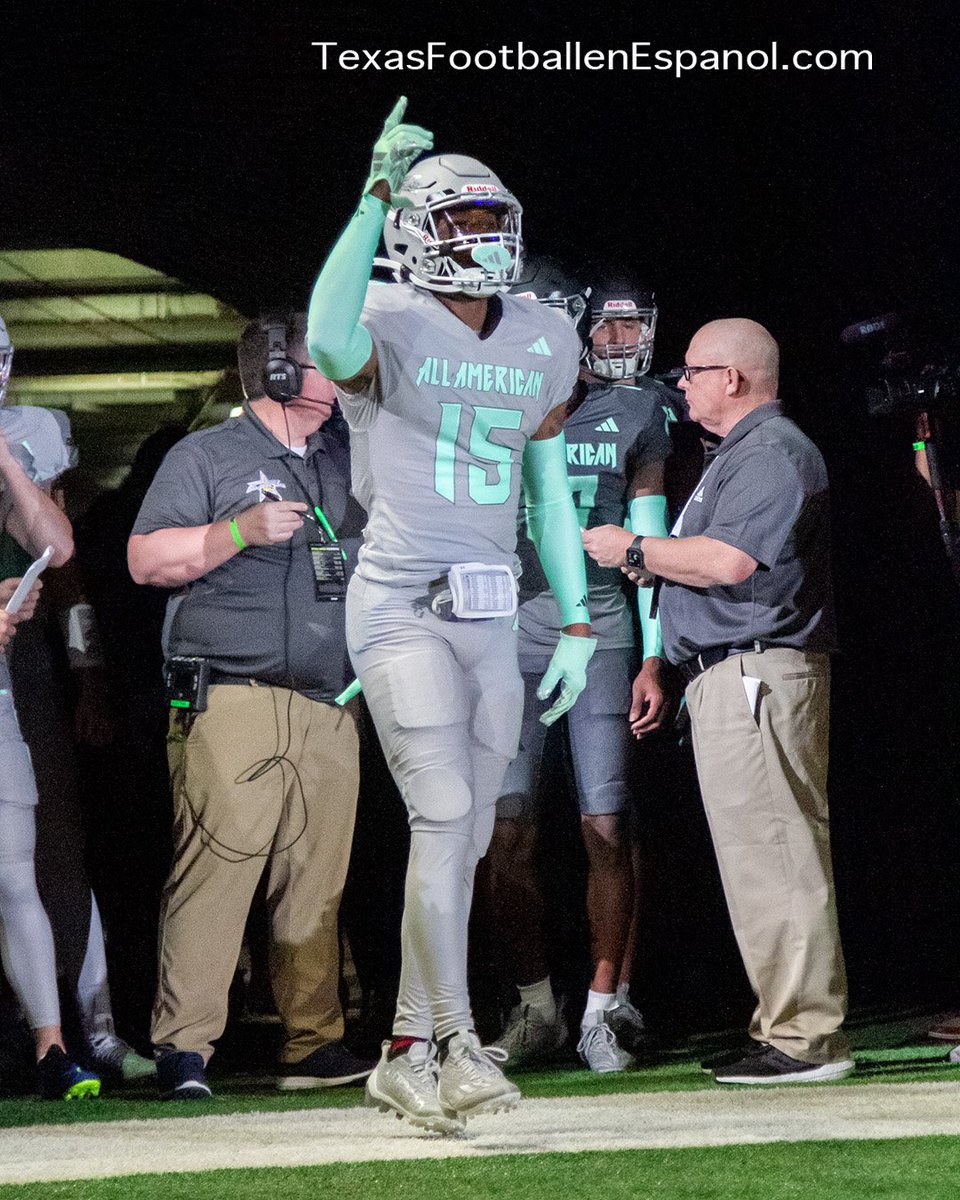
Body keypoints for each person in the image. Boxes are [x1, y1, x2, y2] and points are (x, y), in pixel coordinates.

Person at [306, 99, 594, 1132]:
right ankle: (454, 1045)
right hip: (400, 604)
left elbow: (550, 492)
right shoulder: (383, 317)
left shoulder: (547, 334)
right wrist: (371, 194)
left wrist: (575, 620)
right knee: (441, 816)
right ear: (414, 234)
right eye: (460, 225)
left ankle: (400, 1047)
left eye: (490, 223)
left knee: (467, 839)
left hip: (490, 610)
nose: (482, 241)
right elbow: (324, 333)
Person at [582, 318, 853, 1085]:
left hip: (757, 675)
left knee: (775, 854)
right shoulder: (742, 454)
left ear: (731, 378)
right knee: (760, 857)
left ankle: (805, 1038)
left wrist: (630, 548)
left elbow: (729, 561)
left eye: (694, 371)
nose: (683, 384)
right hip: (733, 673)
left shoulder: (772, 452)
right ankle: (787, 1026)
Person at [127, 313, 372, 1100]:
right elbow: (145, 559)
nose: (342, 374)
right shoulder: (206, 455)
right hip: (232, 695)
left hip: (331, 699)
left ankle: (315, 1043)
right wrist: (238, 529)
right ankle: (185, 1048)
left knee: (318, 880)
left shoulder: (347, 455)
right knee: (218, 872)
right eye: (325, 362)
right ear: (275, 373)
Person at [488, 267, 675, 1072]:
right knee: (505, 829)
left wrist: (657, 653)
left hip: (600, 634)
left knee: (604, 824)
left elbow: (650, 538)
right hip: (507, 640)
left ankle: (602, 1007)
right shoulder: (493, 402)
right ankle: (535, 1009)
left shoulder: (636, 411)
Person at [0, 315, 99, 1098]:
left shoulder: (20, 438)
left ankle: (51, 1046)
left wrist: (4, 453)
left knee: (15, 871)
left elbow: (59, 550)